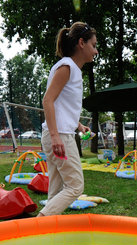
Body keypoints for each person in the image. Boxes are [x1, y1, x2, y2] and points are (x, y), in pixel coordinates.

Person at [38, 22, 97, 217]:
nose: (95, 51)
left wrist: (78, 126)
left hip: (59, 134)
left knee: (56, 191)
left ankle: (46, 230)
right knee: (75, 186)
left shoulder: (72, 69)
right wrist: (56, 136)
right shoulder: (67, 66)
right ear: (81, 43)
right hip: (60, 137)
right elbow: (48, 100)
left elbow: (60, 105)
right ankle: (39, 223)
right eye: (93, 45)